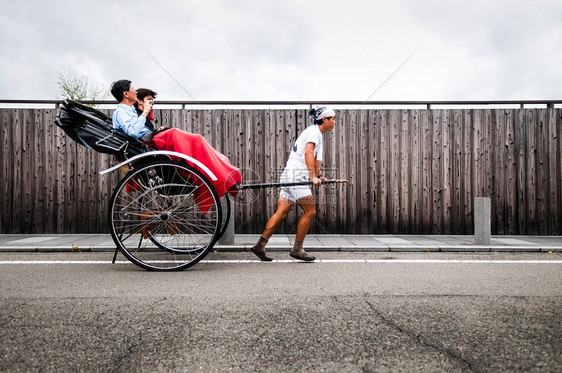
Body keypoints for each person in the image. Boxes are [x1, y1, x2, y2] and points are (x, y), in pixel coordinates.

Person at [109, 79, 242, 199]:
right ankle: (219, 177)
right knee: (196, 140)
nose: (135, 92)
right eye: (133, 90)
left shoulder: (130, 110)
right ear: (126, 94)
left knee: (197, 141)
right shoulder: (121, 112)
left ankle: (222, 174)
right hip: (148, 143)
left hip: (152, 138)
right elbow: (132, 132)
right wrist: (144, 113)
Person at [251, 107, 336, 262]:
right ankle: (297, 249)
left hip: (289, 175)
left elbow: (315, 158)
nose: (334, 122)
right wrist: (312, 177)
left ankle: (260, 245)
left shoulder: (318, 135)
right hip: (296, 176)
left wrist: (320, 175)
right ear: (325, 119)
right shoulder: (313, 131)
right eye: (333, 118)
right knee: (310, 212)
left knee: (281, 213)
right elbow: (308, 153)